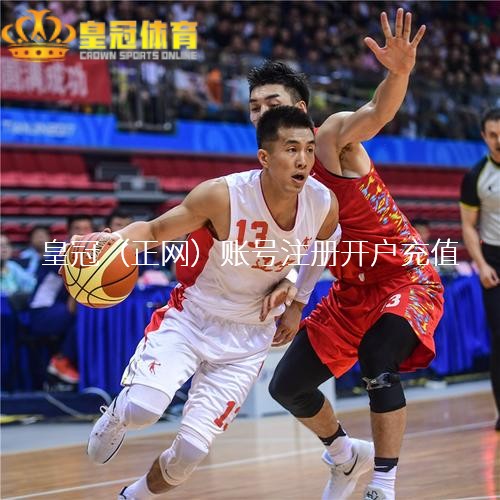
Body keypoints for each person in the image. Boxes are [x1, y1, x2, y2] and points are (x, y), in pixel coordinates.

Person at [85, 107, 341, 499]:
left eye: (309, 149)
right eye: (291, 149)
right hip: (193, 317)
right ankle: (119, 413)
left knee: (190, 453)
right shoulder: (223, 196)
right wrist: (115, 241)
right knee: (142, 410)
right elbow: (154, 230)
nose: (304, 160)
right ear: (264, 157)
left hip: (249, 336)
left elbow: (323, 245)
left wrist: (296, 298)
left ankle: (131, 496)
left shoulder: (323, 202)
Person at [249, 9, 443, 500]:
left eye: (273, 102)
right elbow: (305, 243)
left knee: (378, 355)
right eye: (254, 106)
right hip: (351, 290)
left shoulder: (332, 137)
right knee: (287, 386)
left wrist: (398, 73)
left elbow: (377, 111)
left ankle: (383, 484)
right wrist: (291, 294)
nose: (262, 112)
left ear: (300, 107)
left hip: (405, 277)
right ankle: (344, 454)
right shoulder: (272, 174)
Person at [459, 107, 500, 431]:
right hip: (494, 263)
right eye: (493, 135)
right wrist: (482, 265)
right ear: (484, 137)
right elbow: (468, 227)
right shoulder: (475, 177)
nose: (499, 141)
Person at [30, 214, 94, 385]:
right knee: (84, 318)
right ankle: (62, 360)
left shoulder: (88, 254)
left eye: (86, 229)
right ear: (69, 232)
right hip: (42, 313)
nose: (82, 233)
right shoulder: (61, 255)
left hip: (59, 308)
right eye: (77, 229)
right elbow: (73, 305)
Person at [0, 234, 36, 298]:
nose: (4, 249)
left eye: (7, 245)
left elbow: (31, 284)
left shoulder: (13, 266)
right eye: (1, 245)